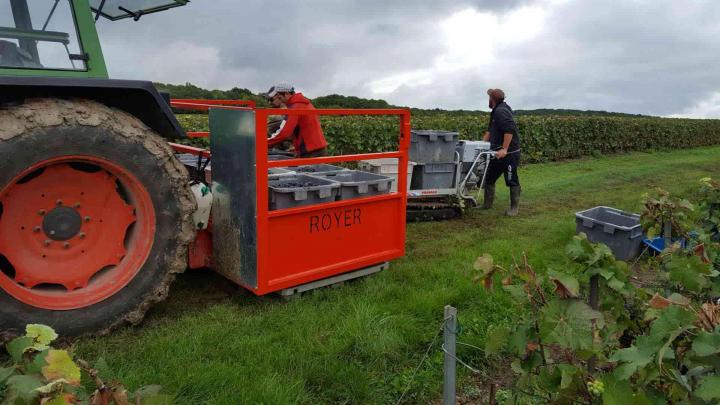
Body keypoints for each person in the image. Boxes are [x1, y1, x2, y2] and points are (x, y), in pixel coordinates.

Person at [482, 88, 521, 216]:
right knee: (489, 177)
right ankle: (487, 204)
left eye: (489, 97)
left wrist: (504, 149)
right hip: (496, 153)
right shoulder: (495, 111)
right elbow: (490, 130)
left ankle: (514, 208)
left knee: (511, 179)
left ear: (492, 99)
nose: (488, 100)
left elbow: (509, 130)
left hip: (509, 153)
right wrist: (481, 145)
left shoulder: (501, 111)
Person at [265, 83, 328, 157]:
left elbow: (284, 133)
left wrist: (264, 143)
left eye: (280, 97)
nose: (281, 101)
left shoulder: (295, 107)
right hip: (317, 149)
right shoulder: (304, 103)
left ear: (287, 94)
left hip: (310, 152)